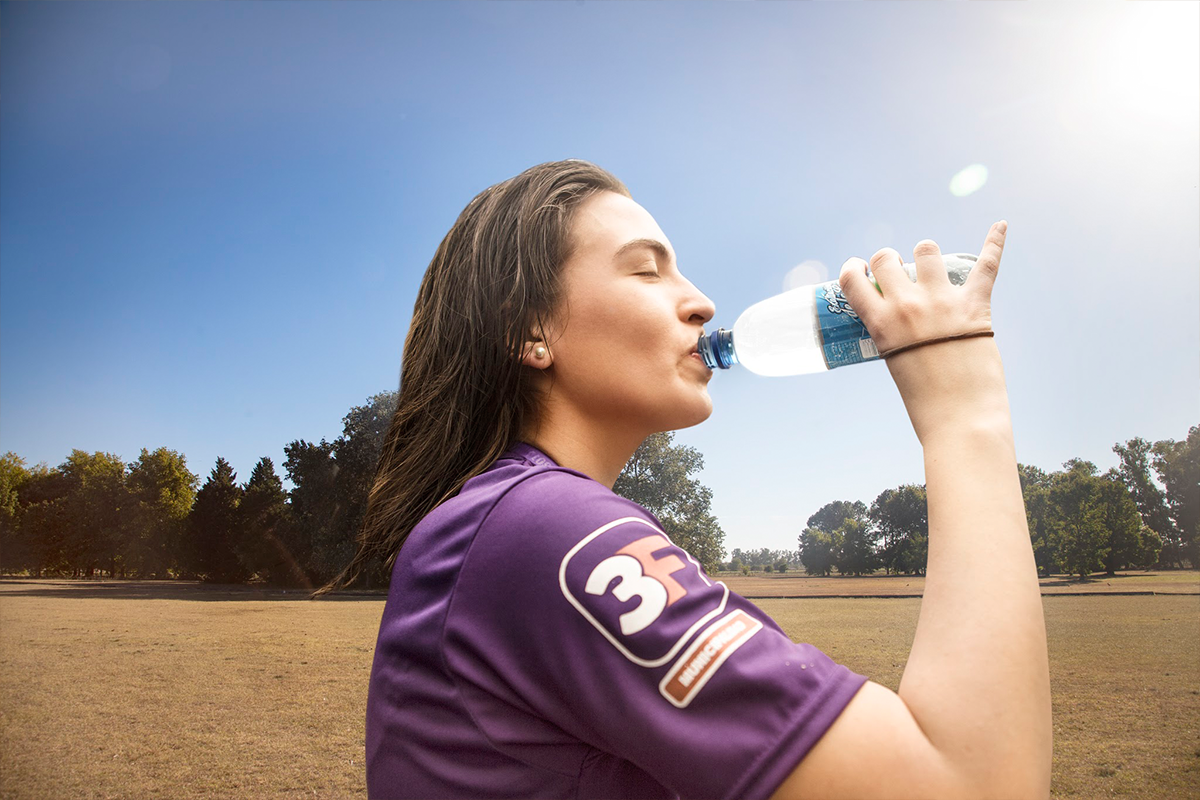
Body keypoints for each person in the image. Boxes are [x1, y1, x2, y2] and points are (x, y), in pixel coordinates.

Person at [324, 160, 1052, 799]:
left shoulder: (508, 521)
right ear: (530, 330)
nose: (701, 301)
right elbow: (971, 784)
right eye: (647, 269)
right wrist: (966, 418)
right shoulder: (540, 527)